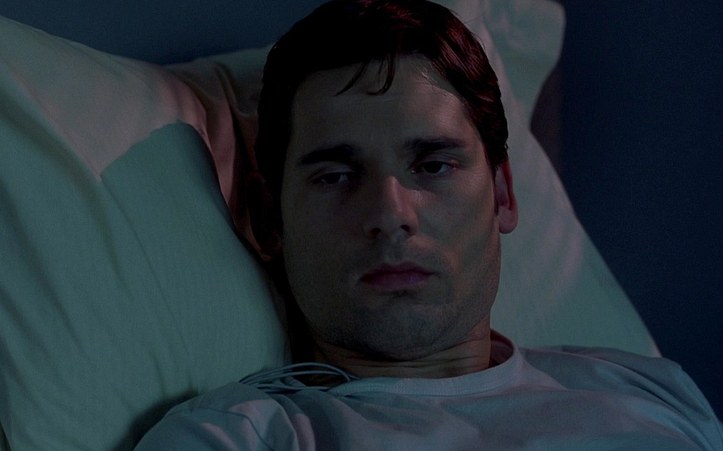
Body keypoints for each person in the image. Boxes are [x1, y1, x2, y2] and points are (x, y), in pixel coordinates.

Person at [137, 0, 723, 448]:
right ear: (271, 219)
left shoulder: (649, 389)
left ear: (503, 195)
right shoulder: (241, 436)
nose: (391, 214)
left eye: (433, 165)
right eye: (336, 176)